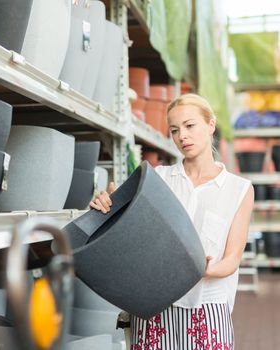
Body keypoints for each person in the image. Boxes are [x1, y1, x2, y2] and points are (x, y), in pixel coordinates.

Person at [90, 93, 254, 350]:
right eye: (175, 130)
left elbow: (233, 258)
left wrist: (202, 269)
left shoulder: (239, 189)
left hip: (206, 305)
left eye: (190, 126)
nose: (182, 137)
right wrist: (106, 206)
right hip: (154, 306)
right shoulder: (158, 179)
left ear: (210, 124)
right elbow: (127, 233)